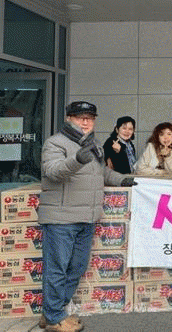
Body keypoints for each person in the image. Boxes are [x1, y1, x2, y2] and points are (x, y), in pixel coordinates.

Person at [39, 101, 135, 332]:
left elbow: (100, 172)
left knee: (76, 268)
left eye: (90, 118)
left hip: (87, 218)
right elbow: (53, 172)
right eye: (80, 117)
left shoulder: (93, 145)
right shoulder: (55, 143)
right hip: (61, 219)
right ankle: (54, 318)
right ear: (69, 119)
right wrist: (77, 159)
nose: (85, 122)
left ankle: (53, 312)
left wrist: (122, 180)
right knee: (57, 270)